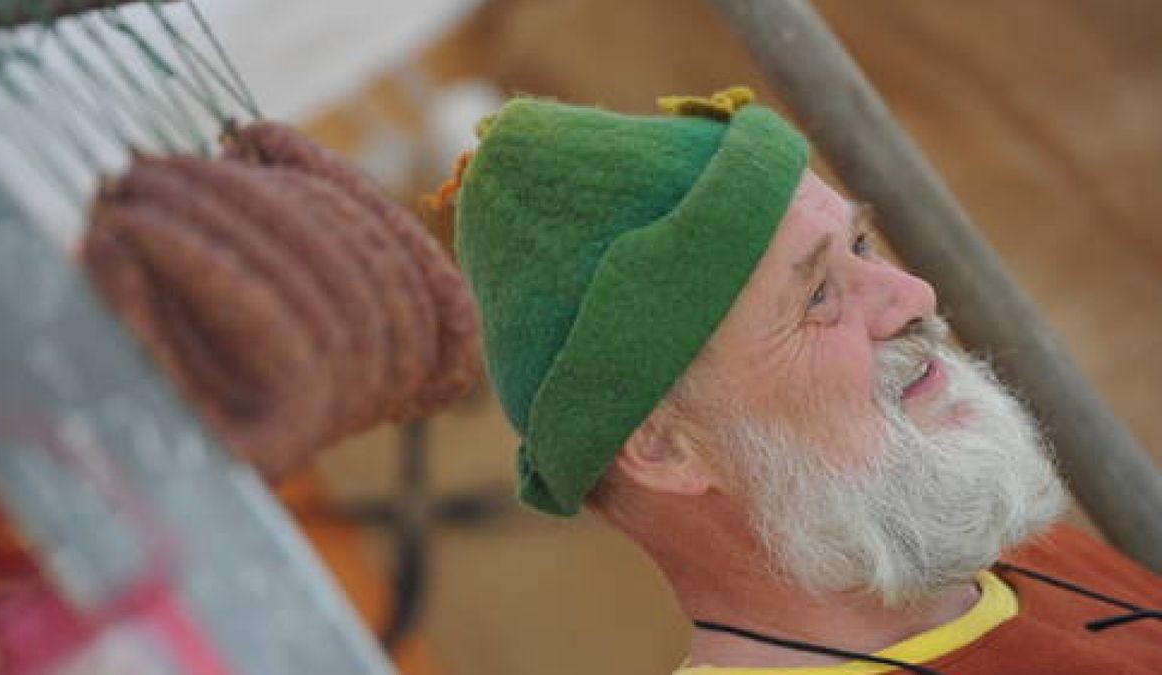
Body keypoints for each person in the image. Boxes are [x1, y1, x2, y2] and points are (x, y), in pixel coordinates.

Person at [449, 86, 1162, 673]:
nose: (912, 294)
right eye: (819, 295)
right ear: (665, 446)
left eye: (860, 244)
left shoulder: (1013, 556)